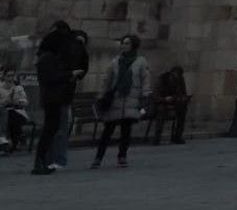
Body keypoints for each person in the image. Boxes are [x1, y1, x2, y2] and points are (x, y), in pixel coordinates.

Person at [91, 34, 150, 169]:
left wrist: (145, 96)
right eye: (123, 43)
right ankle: (98, 157)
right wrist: (101, 96)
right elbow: (107, 80)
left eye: (127, 43)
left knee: (126, 131)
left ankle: (122, 157)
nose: (124, 45)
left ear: (133, 45)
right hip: (115, 100)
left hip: (131, 100)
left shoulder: (141, 62)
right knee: (108, 131)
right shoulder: (116, 61)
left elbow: (145, 80)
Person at [31, 22, 77, 176]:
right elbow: (51, 78)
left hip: (54, 98)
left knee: (50, 130)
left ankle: (42, 161)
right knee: (48, 131)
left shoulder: (48, 57)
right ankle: (39, 162)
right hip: (52, 98)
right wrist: (69, 75)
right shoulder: (47, 58)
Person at [152, 65, 189, 144]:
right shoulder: (162, 80)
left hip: (174, 103)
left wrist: (182, 98)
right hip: (161, 103)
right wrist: (165, 99)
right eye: (175, 76)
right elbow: (155, 97)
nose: (176, 78)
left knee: (183, 111)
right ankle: (157, 137)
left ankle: (177, 136)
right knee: (161, 111)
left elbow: (182, 93)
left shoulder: (180, 81)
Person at [2, 68, 29, 153]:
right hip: (3, 111)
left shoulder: (19, 88)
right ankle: (15, 141)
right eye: (8, 76)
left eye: (12, 76)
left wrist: (20, 102)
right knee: (8, 115)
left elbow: (25, 101)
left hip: (18, 111)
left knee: (12, 115)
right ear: (4, 77)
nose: (11, 78)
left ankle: (11, 143)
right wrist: (6, 101)